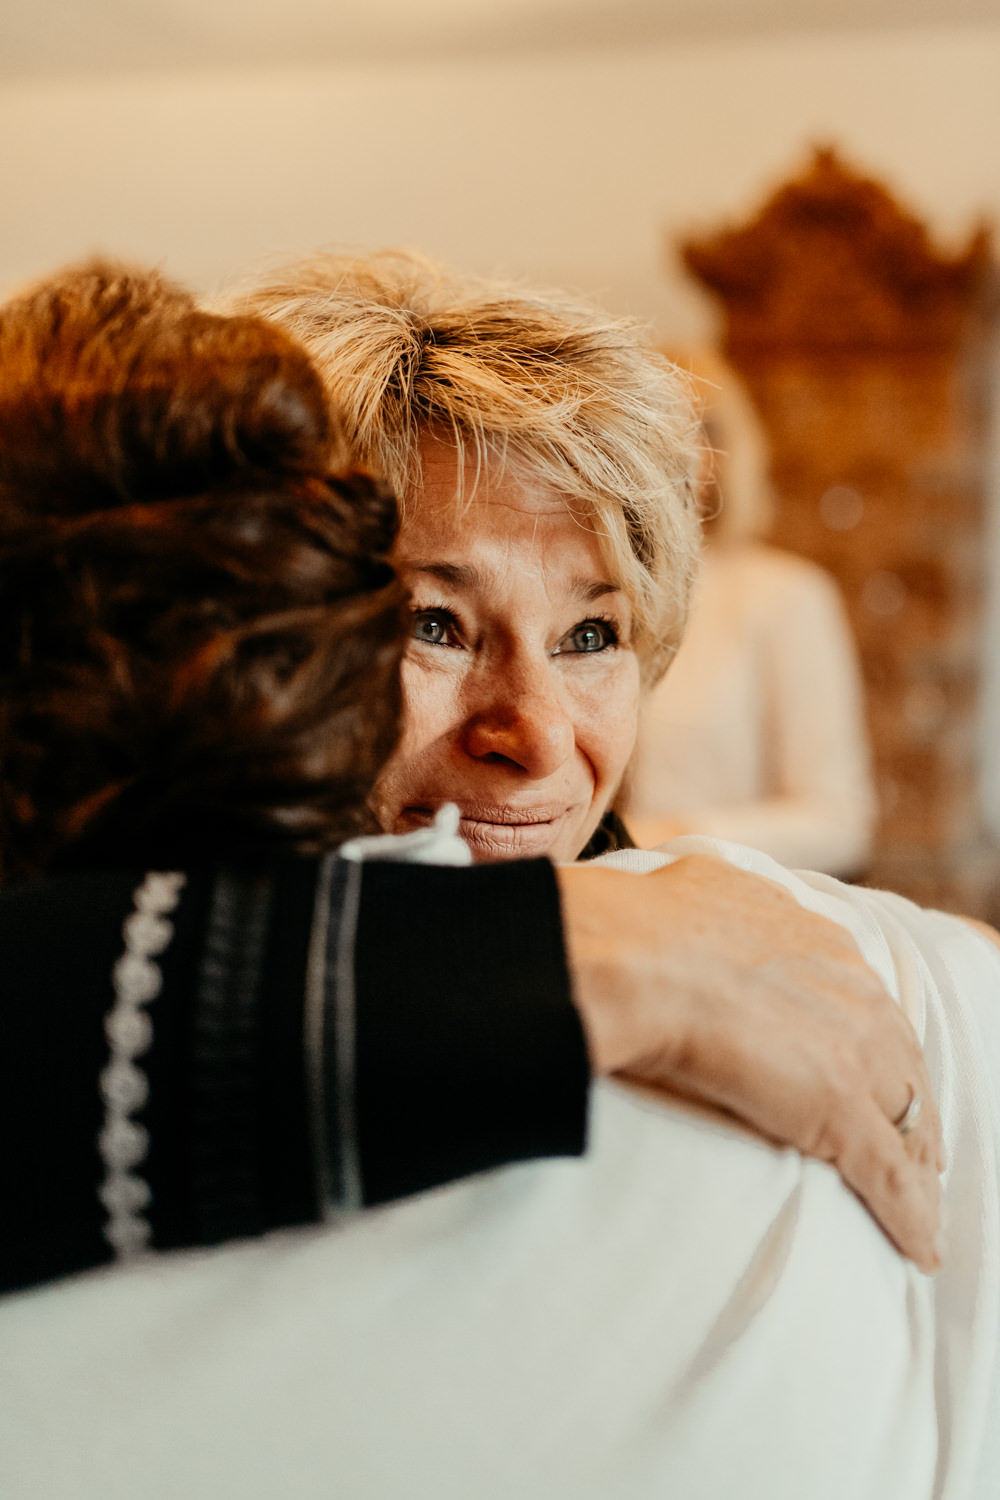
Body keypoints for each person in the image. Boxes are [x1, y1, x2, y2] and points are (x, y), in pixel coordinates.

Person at [1, 257, 997, 1498]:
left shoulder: (867, 978)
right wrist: (556, 959)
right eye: (433, 622)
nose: (530, 732)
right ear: (251, 651)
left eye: (593, 635)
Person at [625, 349, 876, 876]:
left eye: (691, 427)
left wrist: (667, 837)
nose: (665, 447)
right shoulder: (585, 594)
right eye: (640, 421)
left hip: (723, 898)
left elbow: (838, 822)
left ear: (719, 453)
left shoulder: (788, 597)